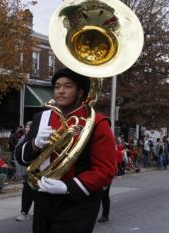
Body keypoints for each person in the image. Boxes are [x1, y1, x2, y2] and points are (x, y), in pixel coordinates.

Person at [15, 68, 117, 233]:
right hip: (43, 197)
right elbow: (20, 158)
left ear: (80, 92)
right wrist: (35, 144)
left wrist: (68, 187)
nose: (60, 91)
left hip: (78, 202)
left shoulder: (98, 123)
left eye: (68, 86)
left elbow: (106, 170)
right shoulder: (41, 118)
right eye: (57, 86)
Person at [16, 121, 36, 221]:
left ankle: (37, 210)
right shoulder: (23, 139)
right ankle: (24, 212)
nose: (28, 129)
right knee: (27, 191)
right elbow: (18, 155)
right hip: (27, 170)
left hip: (39, 169)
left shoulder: (37, 138)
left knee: (39, 191)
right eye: (27, 127)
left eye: (30, 127)